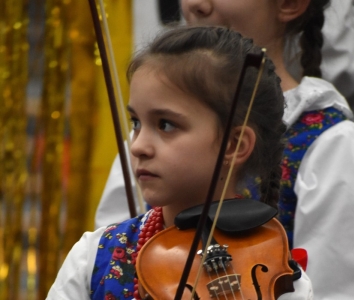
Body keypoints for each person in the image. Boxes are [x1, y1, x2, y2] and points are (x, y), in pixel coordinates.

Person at [96, 0, 354, 299]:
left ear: (290, 4)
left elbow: (351, 291)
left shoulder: (332, 145)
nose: (196, 5)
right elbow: (107, 270)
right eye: (139, 122)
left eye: (166, 124)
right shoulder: (143, 146)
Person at [47, 26, 313, 300]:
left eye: (165, 125)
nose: (138, 146)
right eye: (136, 123)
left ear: (234, 145)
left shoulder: (281, 281)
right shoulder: (92, 257)